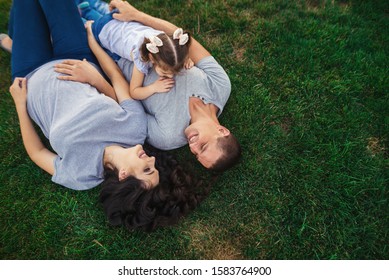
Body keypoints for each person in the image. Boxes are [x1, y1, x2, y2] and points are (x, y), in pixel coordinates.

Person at [7, 0, 207, 231]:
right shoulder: (135, 130)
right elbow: (116, 80)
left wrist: (20, 105)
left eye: (146, 169)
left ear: (124, 176)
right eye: (154, 167)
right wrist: (94, 73)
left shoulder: (80, 176)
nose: (152, 159)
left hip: (32, 75)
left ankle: (18, 40)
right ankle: (21, 38)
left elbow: (37, 152)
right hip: (77, 56)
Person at [75, 0, 242, 171]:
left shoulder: (167, 138)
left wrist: (96, 53)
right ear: (222, 131)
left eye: (196, 154)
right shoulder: (220, 86)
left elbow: (126, 103)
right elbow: (182, 38)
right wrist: (135, 14)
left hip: (110, 55)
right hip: (140, 33)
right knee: (91, 6)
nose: (193, 148)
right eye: (203, 146)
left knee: (68, 15)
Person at [79, 4, 193, 100]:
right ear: (152, 58)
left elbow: (175, 51)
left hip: (117, 20)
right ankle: (81, 17)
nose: (171, 76)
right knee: (85, 25)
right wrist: (154, 88)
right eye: (165, 72)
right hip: (103, 32)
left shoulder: (163, 40)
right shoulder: (141, 58)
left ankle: (86, 9)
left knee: (98, 18)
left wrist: (185, 59)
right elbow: (134, 92)